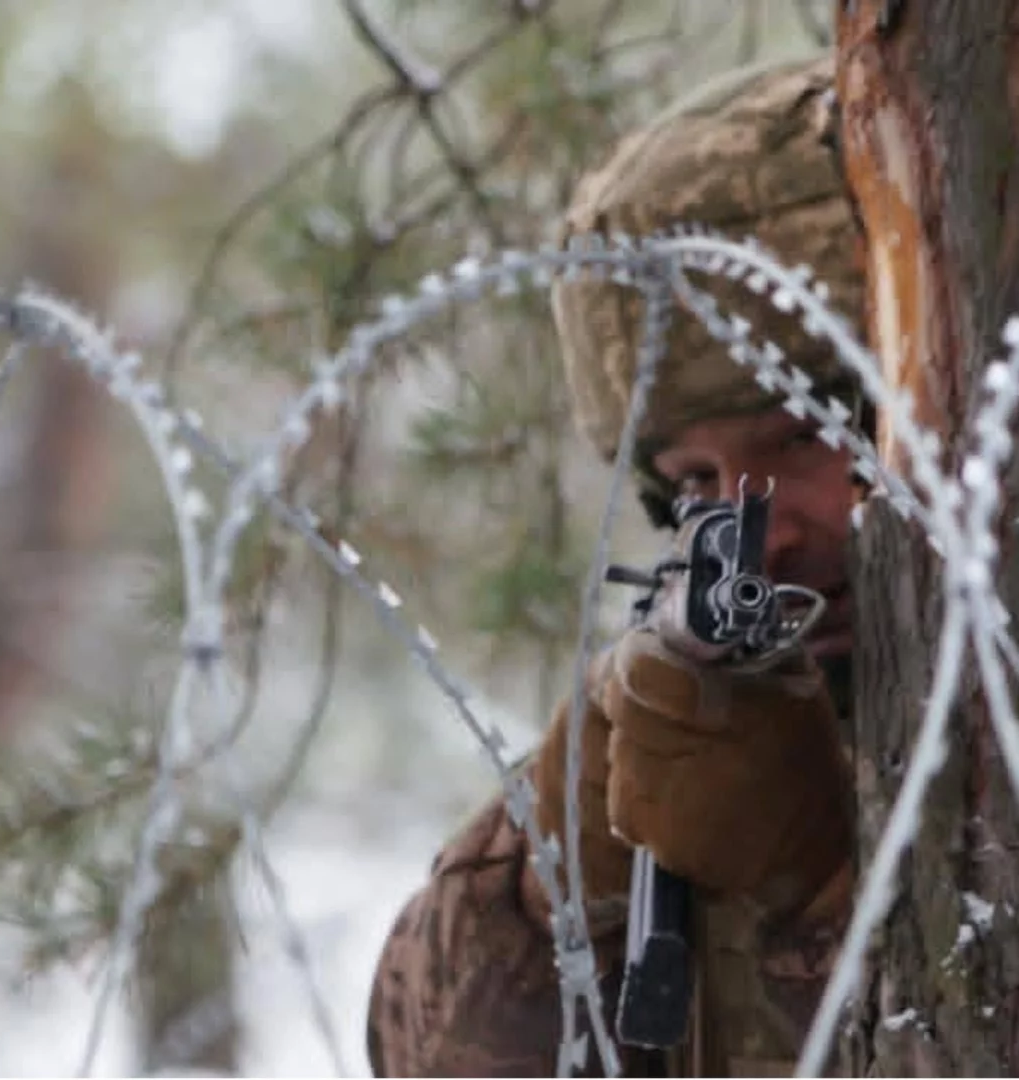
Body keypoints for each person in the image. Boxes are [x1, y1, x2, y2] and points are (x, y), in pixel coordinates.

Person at [366, 54, 872, 1078]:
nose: (754, 531)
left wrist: (818, 891)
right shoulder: (695, 698)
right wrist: (554, 879)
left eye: (800, 440)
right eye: (692, 478)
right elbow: (417, 1053)